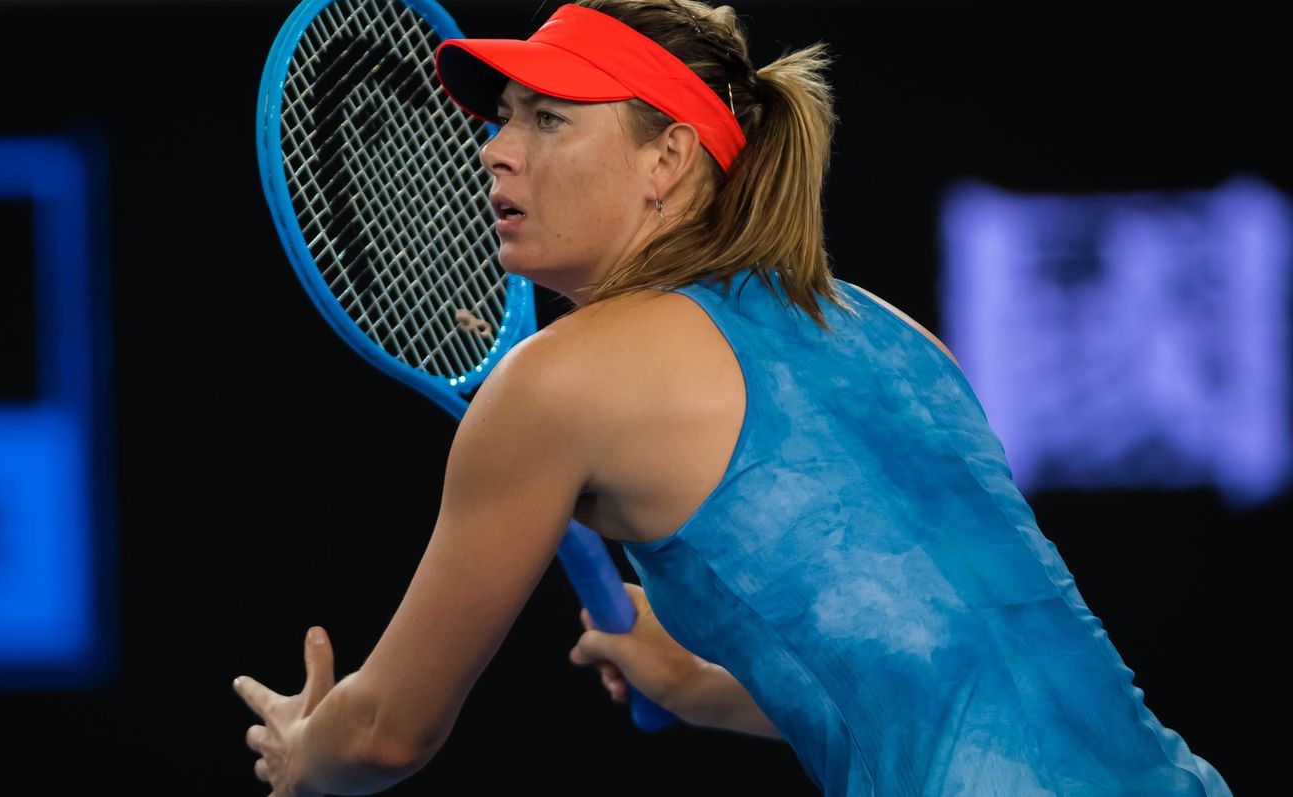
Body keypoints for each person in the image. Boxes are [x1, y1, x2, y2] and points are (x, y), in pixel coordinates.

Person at [233, 1, 1235, 795]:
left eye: (548, 118)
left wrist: (310, 751)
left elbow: (390, 728)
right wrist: (694, 680)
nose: (495, 147)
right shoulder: (890, 331)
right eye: (503, 116)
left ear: (668, 159)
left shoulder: (556, 379)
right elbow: (938, 663)